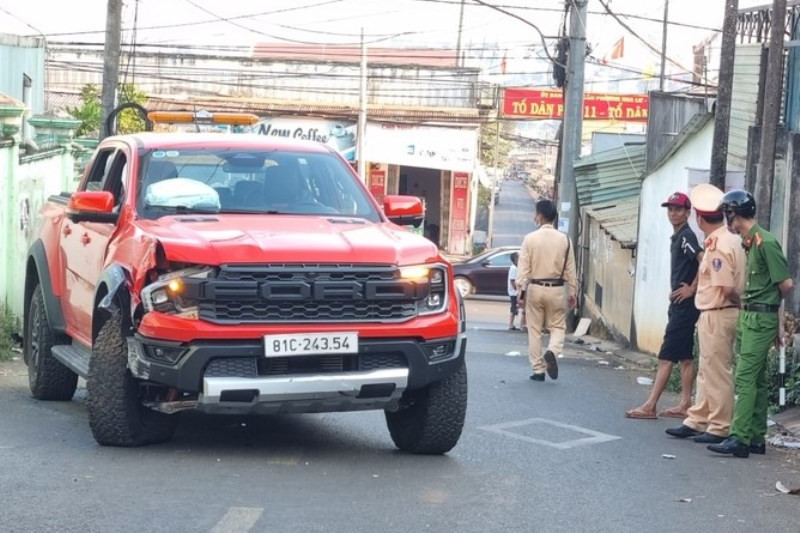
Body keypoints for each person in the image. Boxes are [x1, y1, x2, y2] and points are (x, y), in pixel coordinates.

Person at [708, 189, 794, 458]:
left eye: (728, 213)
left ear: (735, 213)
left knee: (744, 377)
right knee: (755, 379)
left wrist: (776, 322)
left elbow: (786, 285)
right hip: (750, 314)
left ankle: (739, 437)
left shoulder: (765, 242)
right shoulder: (750, 242)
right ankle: (756, 436)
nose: (727, 219)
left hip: (760, 318)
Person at [666, 184, 745, 444]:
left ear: (699, 219)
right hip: (714, 311)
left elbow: (725, 287)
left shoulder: (719, 244)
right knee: (706, 369)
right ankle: (698, 418)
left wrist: (738, 302)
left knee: (717, 371)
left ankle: (719, 425)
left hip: (720, 310)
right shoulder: (726, 239)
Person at [626, 192, 701, 419]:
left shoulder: (686, 236)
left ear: (688, 213)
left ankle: (650, 406)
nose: (673, 213)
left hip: (684, 306)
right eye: (670, 209)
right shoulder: (678, 237)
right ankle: (686, 403)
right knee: (686, 357)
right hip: (682, 305)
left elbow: (703, 259)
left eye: (678, 209)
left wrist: (692, 289)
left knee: (666, 357)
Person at [515, 199, 577, 381]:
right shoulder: (565, 239)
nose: (534, 216)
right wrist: (572, 292)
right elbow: (570, 269)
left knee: (534, 330)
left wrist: (521, 292)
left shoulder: (530, 239)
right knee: (557, 327)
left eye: (535, 213)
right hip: (557, 289)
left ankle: (538, 370)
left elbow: (523, 271)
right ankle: (552, 351)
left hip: (535, 288)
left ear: (540, 216)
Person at [508, 252, 521, 330]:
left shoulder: (517, 267)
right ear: (515, 259)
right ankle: (511, 324)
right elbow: (512, 281)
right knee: (514, 308)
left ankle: (516, 324)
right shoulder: (513, 268)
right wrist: (517, 290)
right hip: (514, 292)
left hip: (516, 291)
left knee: (516, 307)